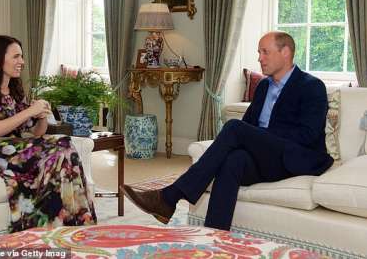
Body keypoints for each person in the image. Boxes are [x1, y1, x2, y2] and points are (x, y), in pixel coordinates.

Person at [121, 31, 334, 230]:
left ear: (285, 52)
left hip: (294, 158)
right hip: (265, 159)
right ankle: (215, 234)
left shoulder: (311, 86)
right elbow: (250, 126)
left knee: (234, 127)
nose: (260, 58)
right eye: (259, 52)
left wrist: (262, 138)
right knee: (234, 160)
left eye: (265, 52)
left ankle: (169, 197)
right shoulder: (263, 87)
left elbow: (309, 134)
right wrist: (257, 140)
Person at [0, 35, 96, 232]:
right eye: (16, 57)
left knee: (63, 147)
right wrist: (29, 111)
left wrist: (42, 114)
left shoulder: (15, 90)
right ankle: (69, 225)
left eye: (22, 56)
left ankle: (73, 227)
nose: (22, 62)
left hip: (15, 148)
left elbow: (36, 133)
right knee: (60, 145)